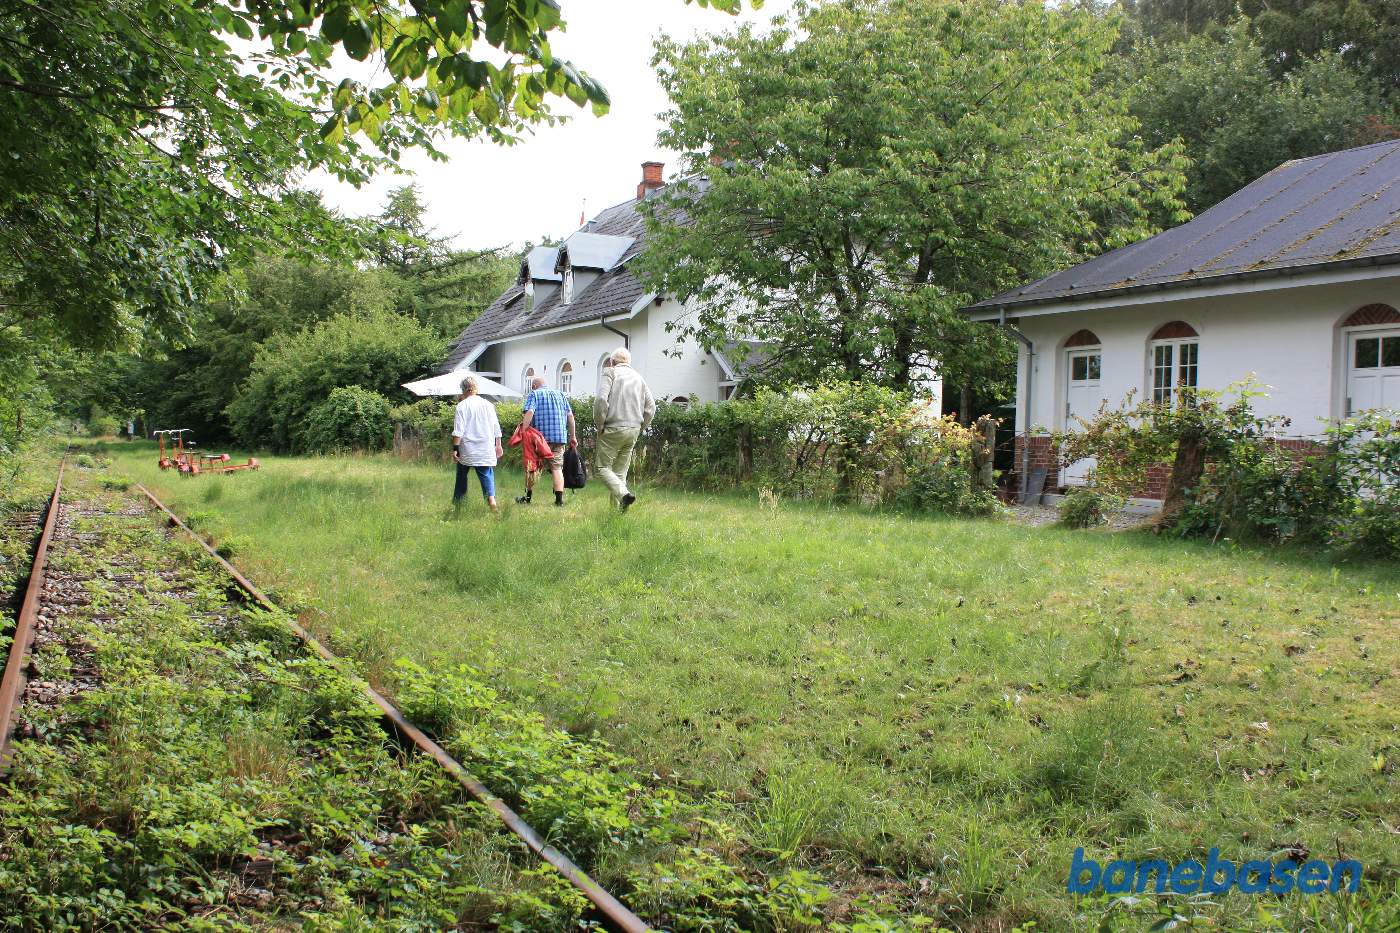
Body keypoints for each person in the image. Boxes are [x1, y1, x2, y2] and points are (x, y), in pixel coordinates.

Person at [593, 347, 655, 511]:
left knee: (602, 468)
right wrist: (641, 427)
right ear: (628, 362)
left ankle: (624, 496)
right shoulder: (639, 377)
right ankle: (617, 511)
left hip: (612, 428)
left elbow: (600, 400)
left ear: (612, 362)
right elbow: (651, 408)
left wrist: (600, 425)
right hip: (633, 429)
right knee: (620, 473)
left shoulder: (610, 372)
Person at [515, 376, 577, 506]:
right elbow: (570, 416)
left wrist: (524, 430)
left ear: (534, 386)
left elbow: (530, 412)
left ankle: (527, 498)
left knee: (532, 467)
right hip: (559, 438)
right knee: (557, 468)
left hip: (539, 439)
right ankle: (559, 501)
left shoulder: (534, 394)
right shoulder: (561, 394)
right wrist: (573, 436)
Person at [451, 376, 502, 513]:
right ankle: (491, 500)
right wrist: (498, 444)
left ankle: (458, 504)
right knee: (486, 473)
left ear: (465, 390)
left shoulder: (462, 406)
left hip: (467, 447)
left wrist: (455, 448)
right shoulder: (488, 405)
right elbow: (495, 426)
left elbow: (458, 430)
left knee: (461, 473)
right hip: (485, 446)